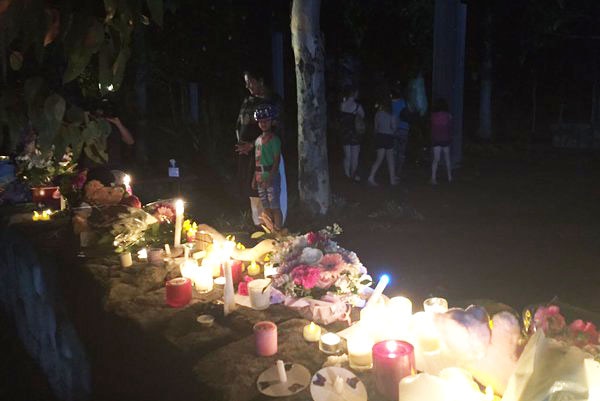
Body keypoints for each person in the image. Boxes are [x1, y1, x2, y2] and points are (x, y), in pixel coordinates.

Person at [234, 69, 283, 208]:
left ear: (260, 81)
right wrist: (241, 144)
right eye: (246, 83)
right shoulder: (248, 100)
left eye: (250, 82)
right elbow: (239, 124)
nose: (247, 86)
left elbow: (276, 130)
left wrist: (252, 145)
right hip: (245, 153)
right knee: (247, 186)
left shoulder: (273, 101)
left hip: (263, 154)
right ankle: (251, 220)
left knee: (263, 191)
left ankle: (266, 222)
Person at [79, 98, 135, 170]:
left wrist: (118, 124)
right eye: (99, 110)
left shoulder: (114, 125)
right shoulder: (88, 124)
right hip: (92, 167)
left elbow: (130, 141)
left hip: (113, 167)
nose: (102, 113)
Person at [251, 104, 283, 231]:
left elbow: (276, 160)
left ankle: (279, 230)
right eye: (261, 121)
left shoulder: (274, 140)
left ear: (271, 122)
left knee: (275, 206)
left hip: (270, 176)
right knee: (266, 207)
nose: (263, 124)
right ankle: (270, 231)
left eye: (266, 121)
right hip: (260, 177)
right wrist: (254, 178)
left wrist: (271, 176)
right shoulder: (258, 140)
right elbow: (257, 160)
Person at [367, 98, 398, 186]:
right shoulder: (392, 114)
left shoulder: (378, 114)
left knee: (379, 159)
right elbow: (394, 128)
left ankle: (371, 177)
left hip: (380, 136)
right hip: (389, 137)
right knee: (390, 160)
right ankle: (392, 180)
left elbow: (375, 128)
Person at [338, 86, 365, 181]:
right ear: (354, 93)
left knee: (347, 155)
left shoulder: (342, 105)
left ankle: (347, 175)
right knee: (355, 156)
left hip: (345, 133)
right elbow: (362, 117)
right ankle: (353, 174)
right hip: (355, 133)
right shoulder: (358, 106)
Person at [430, 98, 453, 184]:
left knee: (436, 159)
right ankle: (449, 177)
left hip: (436, 139)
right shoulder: (448, 115)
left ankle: (433, 178)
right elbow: (450, 127)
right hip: (445, 139)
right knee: (447, 158)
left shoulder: (433, 116)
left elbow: (432, 127)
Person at [390, 83, 411, 177]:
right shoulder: (404, 102)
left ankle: (393, 171)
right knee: (401, 152)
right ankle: (399, 172)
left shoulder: (391, 103)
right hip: (404, 129)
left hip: (394, 129)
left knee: (394, 151)